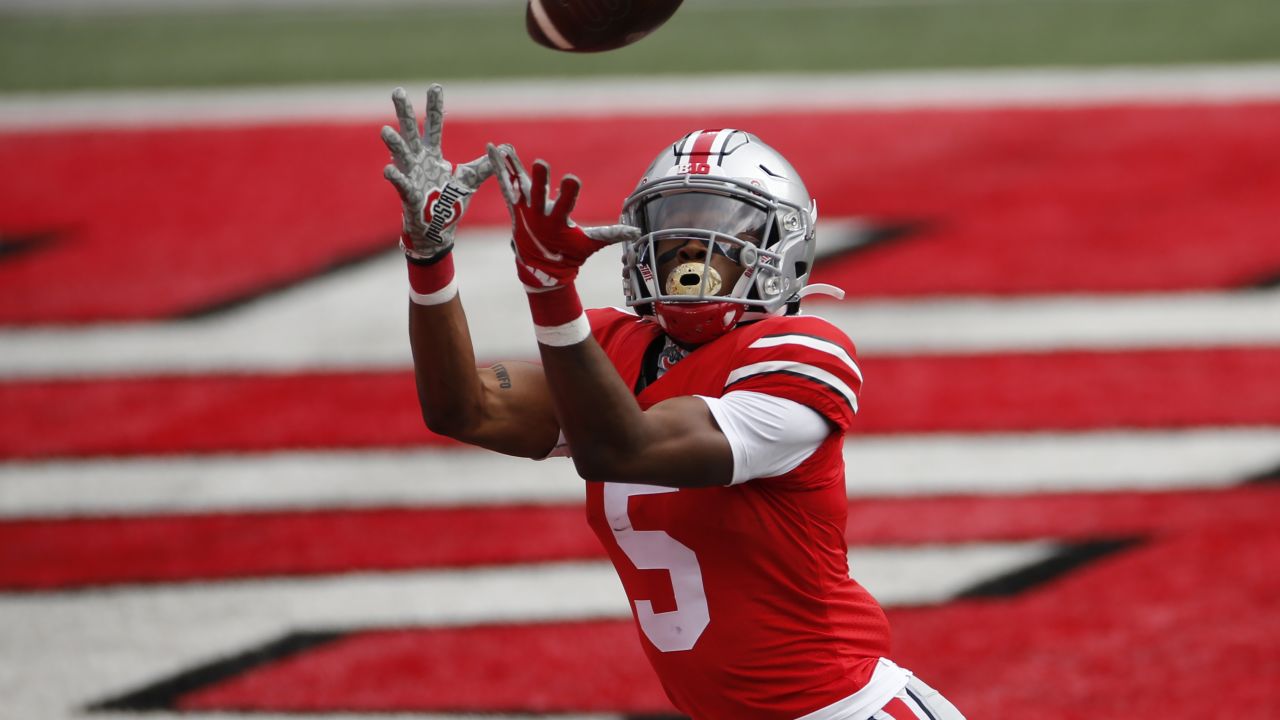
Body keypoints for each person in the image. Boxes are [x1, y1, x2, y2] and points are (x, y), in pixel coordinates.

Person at [380, 84, 966, 720]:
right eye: (673, 228)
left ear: (781, 245)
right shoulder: (609, 347)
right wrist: (428, 255)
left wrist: (552, 295)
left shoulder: (800, 353)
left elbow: (624, 447)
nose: (693, 249)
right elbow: (461, 408)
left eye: (719, 228)